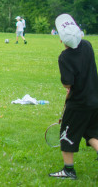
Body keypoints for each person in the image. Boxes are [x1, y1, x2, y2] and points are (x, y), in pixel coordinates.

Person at [49, 14, 98, 180]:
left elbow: (67, 84)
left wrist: (68, 88)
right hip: (94, 100)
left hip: (78, 103)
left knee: (67, 134)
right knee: (91, 132)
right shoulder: (88, 45)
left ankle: (68, 170)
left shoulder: (64, 57)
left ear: (62, 40)